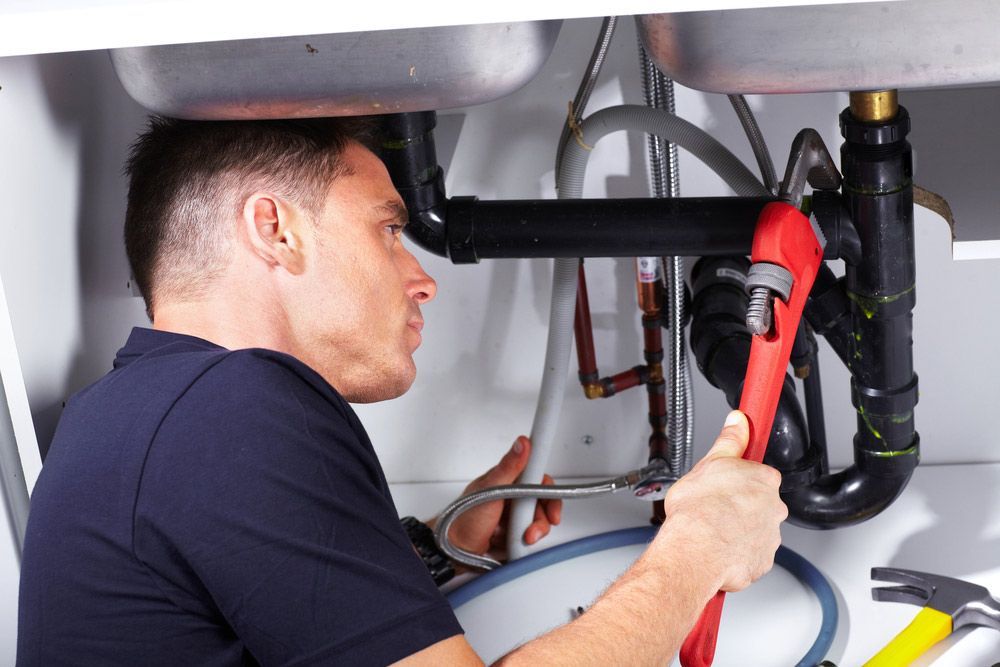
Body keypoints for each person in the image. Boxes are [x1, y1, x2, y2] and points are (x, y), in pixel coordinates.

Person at [17, 117, 787, 666]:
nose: (422, 280)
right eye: (388, 229)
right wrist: (697, 552)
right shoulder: (233, 402)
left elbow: (257, 612)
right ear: (274, 228)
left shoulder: (124, 413)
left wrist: (430, 549)